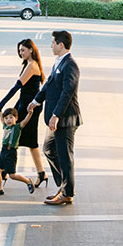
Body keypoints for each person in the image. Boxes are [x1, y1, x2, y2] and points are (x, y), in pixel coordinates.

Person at [27, 29, 81, 205]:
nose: (50, 46)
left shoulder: (70, 65)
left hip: (65, 120)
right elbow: (49, 84)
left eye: (52, 43)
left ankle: (67, 193)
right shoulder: (58, 62)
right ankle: (64, 186)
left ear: (61, 45)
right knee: (49, 149)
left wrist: (56, 115)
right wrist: (35, 101)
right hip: (55, 119)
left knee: (65, 157)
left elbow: (67, 93)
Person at [0, 38, 47, 189]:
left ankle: (3, 173)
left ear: (31, 50)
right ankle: (40, 174)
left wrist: (2, 103)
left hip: (30, 108)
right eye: (19, 50)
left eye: (23, 50)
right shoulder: (28, 64)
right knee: (28, 142)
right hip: (24, 105)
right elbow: (23, 92)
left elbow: (17, 87)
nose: (20, 53)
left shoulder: (32, 66)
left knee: (21, 139)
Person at [0, 108, 36, 196]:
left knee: (12, 175)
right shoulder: (5, 126)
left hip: (11, 153)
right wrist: (0, 111)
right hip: (3, 151)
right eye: (6, 118)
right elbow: (1, 119)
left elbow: (25, 122)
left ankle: (28, 181)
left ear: (16, 118)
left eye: (11, 117)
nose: (8, 120)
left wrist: (30, 113)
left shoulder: (17, 127)